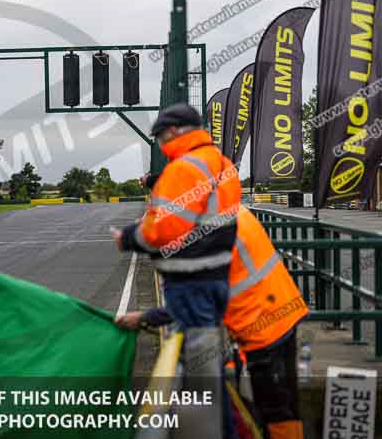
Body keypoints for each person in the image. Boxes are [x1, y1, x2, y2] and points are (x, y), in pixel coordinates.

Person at [116, 204, 308, 439]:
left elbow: (192, 305)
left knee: (275, 408)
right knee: (286, 403)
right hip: (283, 308)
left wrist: (145, 317)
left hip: (262, 326)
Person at [110, 103, 241, 437]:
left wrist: (127, 237)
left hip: (190, 282)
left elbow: (164, 230)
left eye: (161, 137)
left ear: (174, 132)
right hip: (215, 279)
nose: (160, 144)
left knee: (202, 385)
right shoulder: (221, 164)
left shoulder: (184, 169)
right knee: (209, 379)